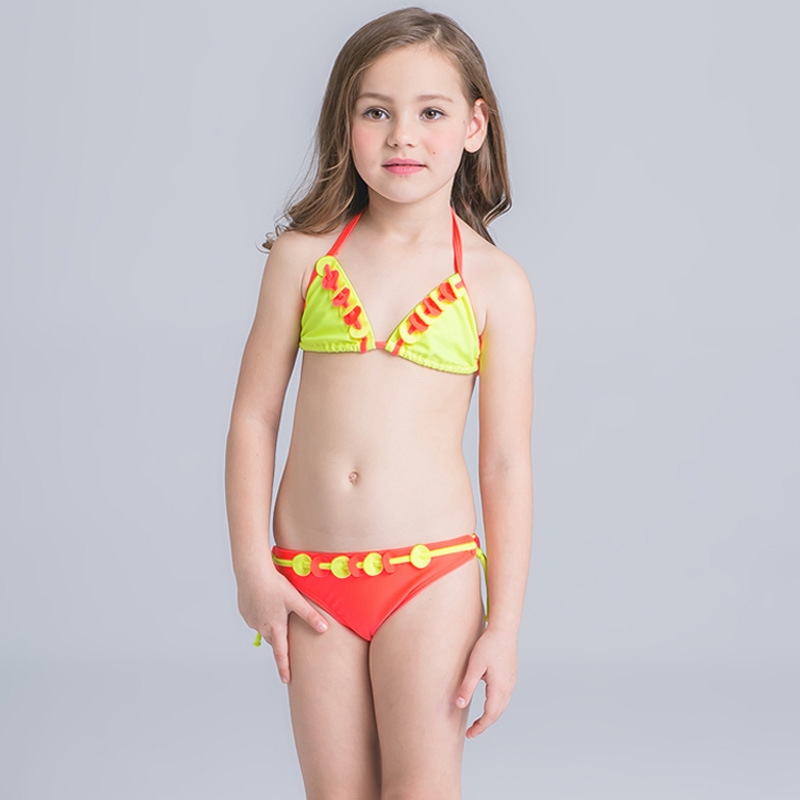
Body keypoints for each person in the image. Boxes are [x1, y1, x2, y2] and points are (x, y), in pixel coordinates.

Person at [225, 7, 536, 798]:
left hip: (430, 581)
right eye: (376, 112)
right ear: (346, 122)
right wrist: (252, 567)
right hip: (310, 580)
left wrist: (504, 626)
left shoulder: (495, 284)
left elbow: (505, 463)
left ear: (474, 126)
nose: (403, 137)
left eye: (431, 113)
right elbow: (254, 418)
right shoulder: (302, 258)